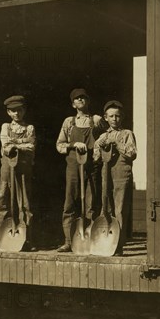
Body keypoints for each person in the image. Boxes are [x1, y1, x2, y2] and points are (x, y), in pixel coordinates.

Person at [56, 88, 108, 252]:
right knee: (70, 201)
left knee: (90, 204)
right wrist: (73, 144)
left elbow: (108, 136)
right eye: (77, 99)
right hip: (73, 165)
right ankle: (69, 241)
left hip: (91, 166)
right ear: (73, 104)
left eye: (83, 98)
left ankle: (91, 240)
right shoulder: (69, 122)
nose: (81, 100)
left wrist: (98, 147)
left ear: (88, 101)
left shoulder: (96, 120)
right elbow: (59, 145)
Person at [0, 95, 36, 251]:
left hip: (23, 169)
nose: (17, 114)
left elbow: (31, 146)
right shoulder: (5, 127)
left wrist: (16, 144)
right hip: (7, 169)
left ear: (24, 110)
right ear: (8, 112)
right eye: (13, 111)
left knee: (25, 203)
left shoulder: (30, 128)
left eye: (19, 110)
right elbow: (5, 145)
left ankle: (26, 240)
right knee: (3, 200)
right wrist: (22, 143)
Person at [94, 100, 137, 255]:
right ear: (106, 117)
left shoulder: (127, 134)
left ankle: (118, 245)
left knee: (119, 209)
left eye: (117, 116)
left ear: (122, 117)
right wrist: (100, 146)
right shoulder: (102, 136)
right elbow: (95, 157)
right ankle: (105, 242)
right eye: (111, 116)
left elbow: (132, 154)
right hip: (106, 174)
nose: (114, 119)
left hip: (122, 173)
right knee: (106, 206)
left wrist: (117, 144)